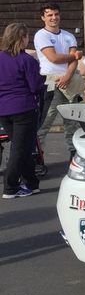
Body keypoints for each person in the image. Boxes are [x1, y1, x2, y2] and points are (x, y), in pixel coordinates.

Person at [0, 24, 44, 199]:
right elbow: (35, 86)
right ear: (22, 38)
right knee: (19, 149)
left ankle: (32, 183)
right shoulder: (27, 60)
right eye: (27, 36)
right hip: (23, 108)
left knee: (23, 148)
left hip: (3, 109)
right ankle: (10, 187)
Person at [34, 2, 83, 159]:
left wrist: (68, 75)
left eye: (56, 14)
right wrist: (74, 56)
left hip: (69, 81)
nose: (54, 17)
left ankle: (74, 155)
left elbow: (73, 61)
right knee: (46, 119)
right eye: (49, 15)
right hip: (50, 81)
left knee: (72, 121)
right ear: (43, 18)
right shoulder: (41, 35)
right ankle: (37, 156)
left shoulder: (68, 36)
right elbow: (53, 58)